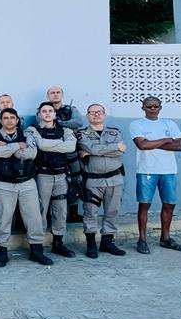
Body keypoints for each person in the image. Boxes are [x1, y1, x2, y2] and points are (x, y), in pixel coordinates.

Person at [0, 108, 52, 268]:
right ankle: (3, 253)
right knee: (3, 218)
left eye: (12, 118)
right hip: (4, 184)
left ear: (17, 120)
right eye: (5, 118)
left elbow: (31, 154)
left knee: (34, 217)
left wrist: (8, 147)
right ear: (1, 121)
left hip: (27, 183)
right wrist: (18, 145)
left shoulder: (28, 135)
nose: (9, 120)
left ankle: (36, 251)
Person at [130, 97, 181, 254]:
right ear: (143, 107)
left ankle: (165, 238)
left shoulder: (170, 124)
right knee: (144, 205)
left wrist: (152, 143)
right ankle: (142, 240)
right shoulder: (137, 124)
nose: (152, 108)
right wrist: (165, 140)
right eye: (149, 106)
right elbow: (142, 144)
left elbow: (179, 145)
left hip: (168, 170)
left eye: (156, 106)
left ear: (160, 107)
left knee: (169, 204)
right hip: (146, 169)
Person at [27, 102, 77, 258]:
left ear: (55, 114)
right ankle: (37, 246)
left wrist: (49, 145)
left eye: (50, 111)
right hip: (43, 175)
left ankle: (58, 243)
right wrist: (60, 144)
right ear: (39, 114)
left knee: (61, 210)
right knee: (40, 211)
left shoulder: (66, 130)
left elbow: (71, 147)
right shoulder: (32, 130)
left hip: (61, 175)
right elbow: (40, 145)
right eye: (44, 111)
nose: (47, 113)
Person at [77, 105, 126, 258]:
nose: (97, 114)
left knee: (113, 211)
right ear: (87, 116)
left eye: (100, 112)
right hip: (93, 180)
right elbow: (90, 148)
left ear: (104, 114)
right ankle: (91, 243)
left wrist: (96, 151)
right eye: (93, 112)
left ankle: (107, 242)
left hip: (114, 178)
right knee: (90, 212)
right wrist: (113, 147)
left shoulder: (115, 132)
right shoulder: (81, 134)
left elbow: (120, 151)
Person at [46, 86, 84, 221]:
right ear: (48, 96)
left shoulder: (71, 109)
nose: (55, 95)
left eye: (58, 92)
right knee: (51, 183)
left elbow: (78, 122)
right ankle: (50, 215)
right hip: (52, 151)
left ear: (62, 95)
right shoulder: (44, 109)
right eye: (52, 93)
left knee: (75, 180)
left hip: (71, 151)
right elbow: (44, 123)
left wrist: (60, 123)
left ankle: (73, 212)